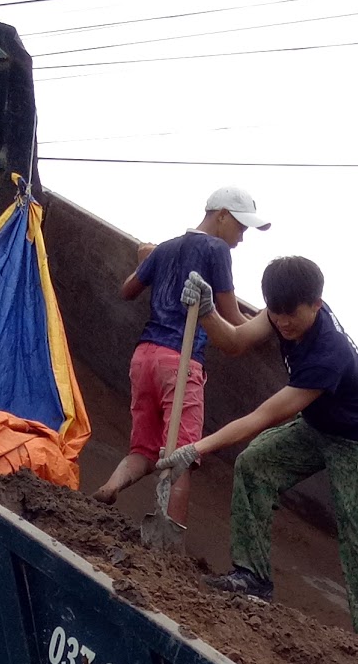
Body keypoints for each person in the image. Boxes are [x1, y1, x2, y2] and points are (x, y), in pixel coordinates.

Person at [159, 255, 358, 640]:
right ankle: (252, 578)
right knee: (255, 465)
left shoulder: (329, 355)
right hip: (318, 427)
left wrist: (195, 449)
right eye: (276, 312)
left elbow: (262, 417)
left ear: (316, 304)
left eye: (292, 314)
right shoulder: (281, 313)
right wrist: (207, 312)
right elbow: (235, 342)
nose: (283, 322)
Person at [92, 188, 271, 522]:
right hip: (181, 360)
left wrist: (145, 261)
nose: (241, 237)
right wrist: (265, 320)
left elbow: (127, 290)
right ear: (222, 215)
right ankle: (170, 538)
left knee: (143, 451)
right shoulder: (216, 248)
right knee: (181, 456)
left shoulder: (166, 247)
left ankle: (110, 486)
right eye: (241, 227)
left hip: (144, 357)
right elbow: (231, 317)